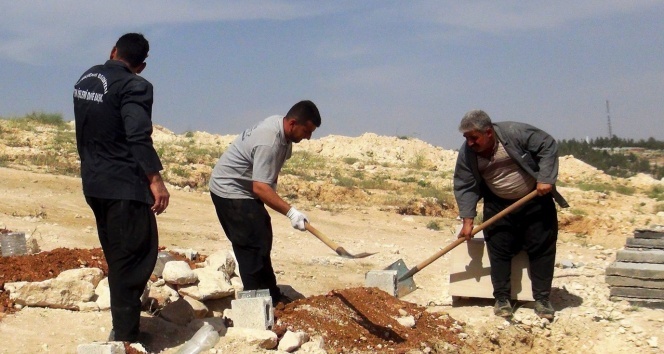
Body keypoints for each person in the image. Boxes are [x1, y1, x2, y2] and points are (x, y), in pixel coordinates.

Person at [73, 33, 170, 343]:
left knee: (118, 254)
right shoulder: (136, 86)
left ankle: (124, 320)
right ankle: (126, 337)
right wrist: (156, 180)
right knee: (135, 255)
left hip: (94, 182)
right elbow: (138, 136)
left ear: (113, 51)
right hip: (122, 185)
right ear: (140, 65)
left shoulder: (86, 78)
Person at [453, 109, 568, 320]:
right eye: (466, 138)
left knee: (541, 249)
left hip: (534, 200)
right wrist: (467, 220)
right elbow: (465, 185)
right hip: (498, 205)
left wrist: (545, 178)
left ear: (488, 132)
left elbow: (547, 145)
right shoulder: (468, 154)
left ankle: (542, 300)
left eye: (473, 137)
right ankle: (502, 299)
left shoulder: (515, 133)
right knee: (498, 249)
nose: (469, 143)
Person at [209, 100, 321, 306]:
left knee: (262, 236)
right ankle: (256, 305)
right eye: (306, 130)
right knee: (250, 245)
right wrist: (291, 213)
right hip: (229, 190)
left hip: (246, 189)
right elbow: (260, 187)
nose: (308, 137)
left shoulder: (284, 136)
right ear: (293, 123)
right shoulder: (270, 140)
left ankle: (272, 296)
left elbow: (269, 177)